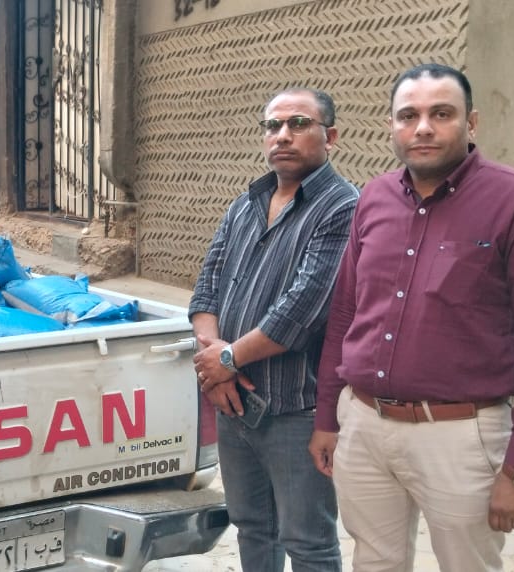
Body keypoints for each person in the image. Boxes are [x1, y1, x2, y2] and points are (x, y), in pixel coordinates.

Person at [309, 63, 514, 571]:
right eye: (408, 115)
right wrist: (327, 419)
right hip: (363, 425)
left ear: (472, 123)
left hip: (461, 436)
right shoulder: (374, 198)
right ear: (391, 126)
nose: (423, 127)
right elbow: (345, 314)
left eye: (441, 114)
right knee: (373, 563)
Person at [189, 87, 358, 572]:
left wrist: (224, 361)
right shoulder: (246, 204)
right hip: (234, 404)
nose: (283, 135)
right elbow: (207, 288)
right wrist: (215, 367)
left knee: (307, 541)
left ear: (331, 137)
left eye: (299, 124)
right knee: (253, 528)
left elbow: (300, 313)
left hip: (295, 408)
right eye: (273, 125)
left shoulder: (343, 208)